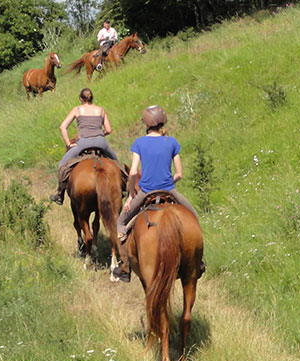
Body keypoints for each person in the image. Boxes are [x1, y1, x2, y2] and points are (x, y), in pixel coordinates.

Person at [111, 105, 199, 283]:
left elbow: (134, 171)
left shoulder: (140, 143)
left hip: (145, 193)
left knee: (120, 223)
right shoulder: (172, 142)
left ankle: (125, 267)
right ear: (163, 122)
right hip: (169, 189)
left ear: (146, 123)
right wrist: (167, 184)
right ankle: (198, 261)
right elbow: (180, 173)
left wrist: (130, 196)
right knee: (194, 218)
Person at [51, 88, 119, 205]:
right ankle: (122, 189)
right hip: (101, 142)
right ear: (92, 98)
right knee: (117, 163)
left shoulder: (77, 110)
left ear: (80, 99)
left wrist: (69, 143)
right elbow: (109, 129)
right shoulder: (100, 110)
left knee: (62, 165)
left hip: (83, 143)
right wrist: (99, 135)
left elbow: (63, 127)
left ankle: (59, 194)